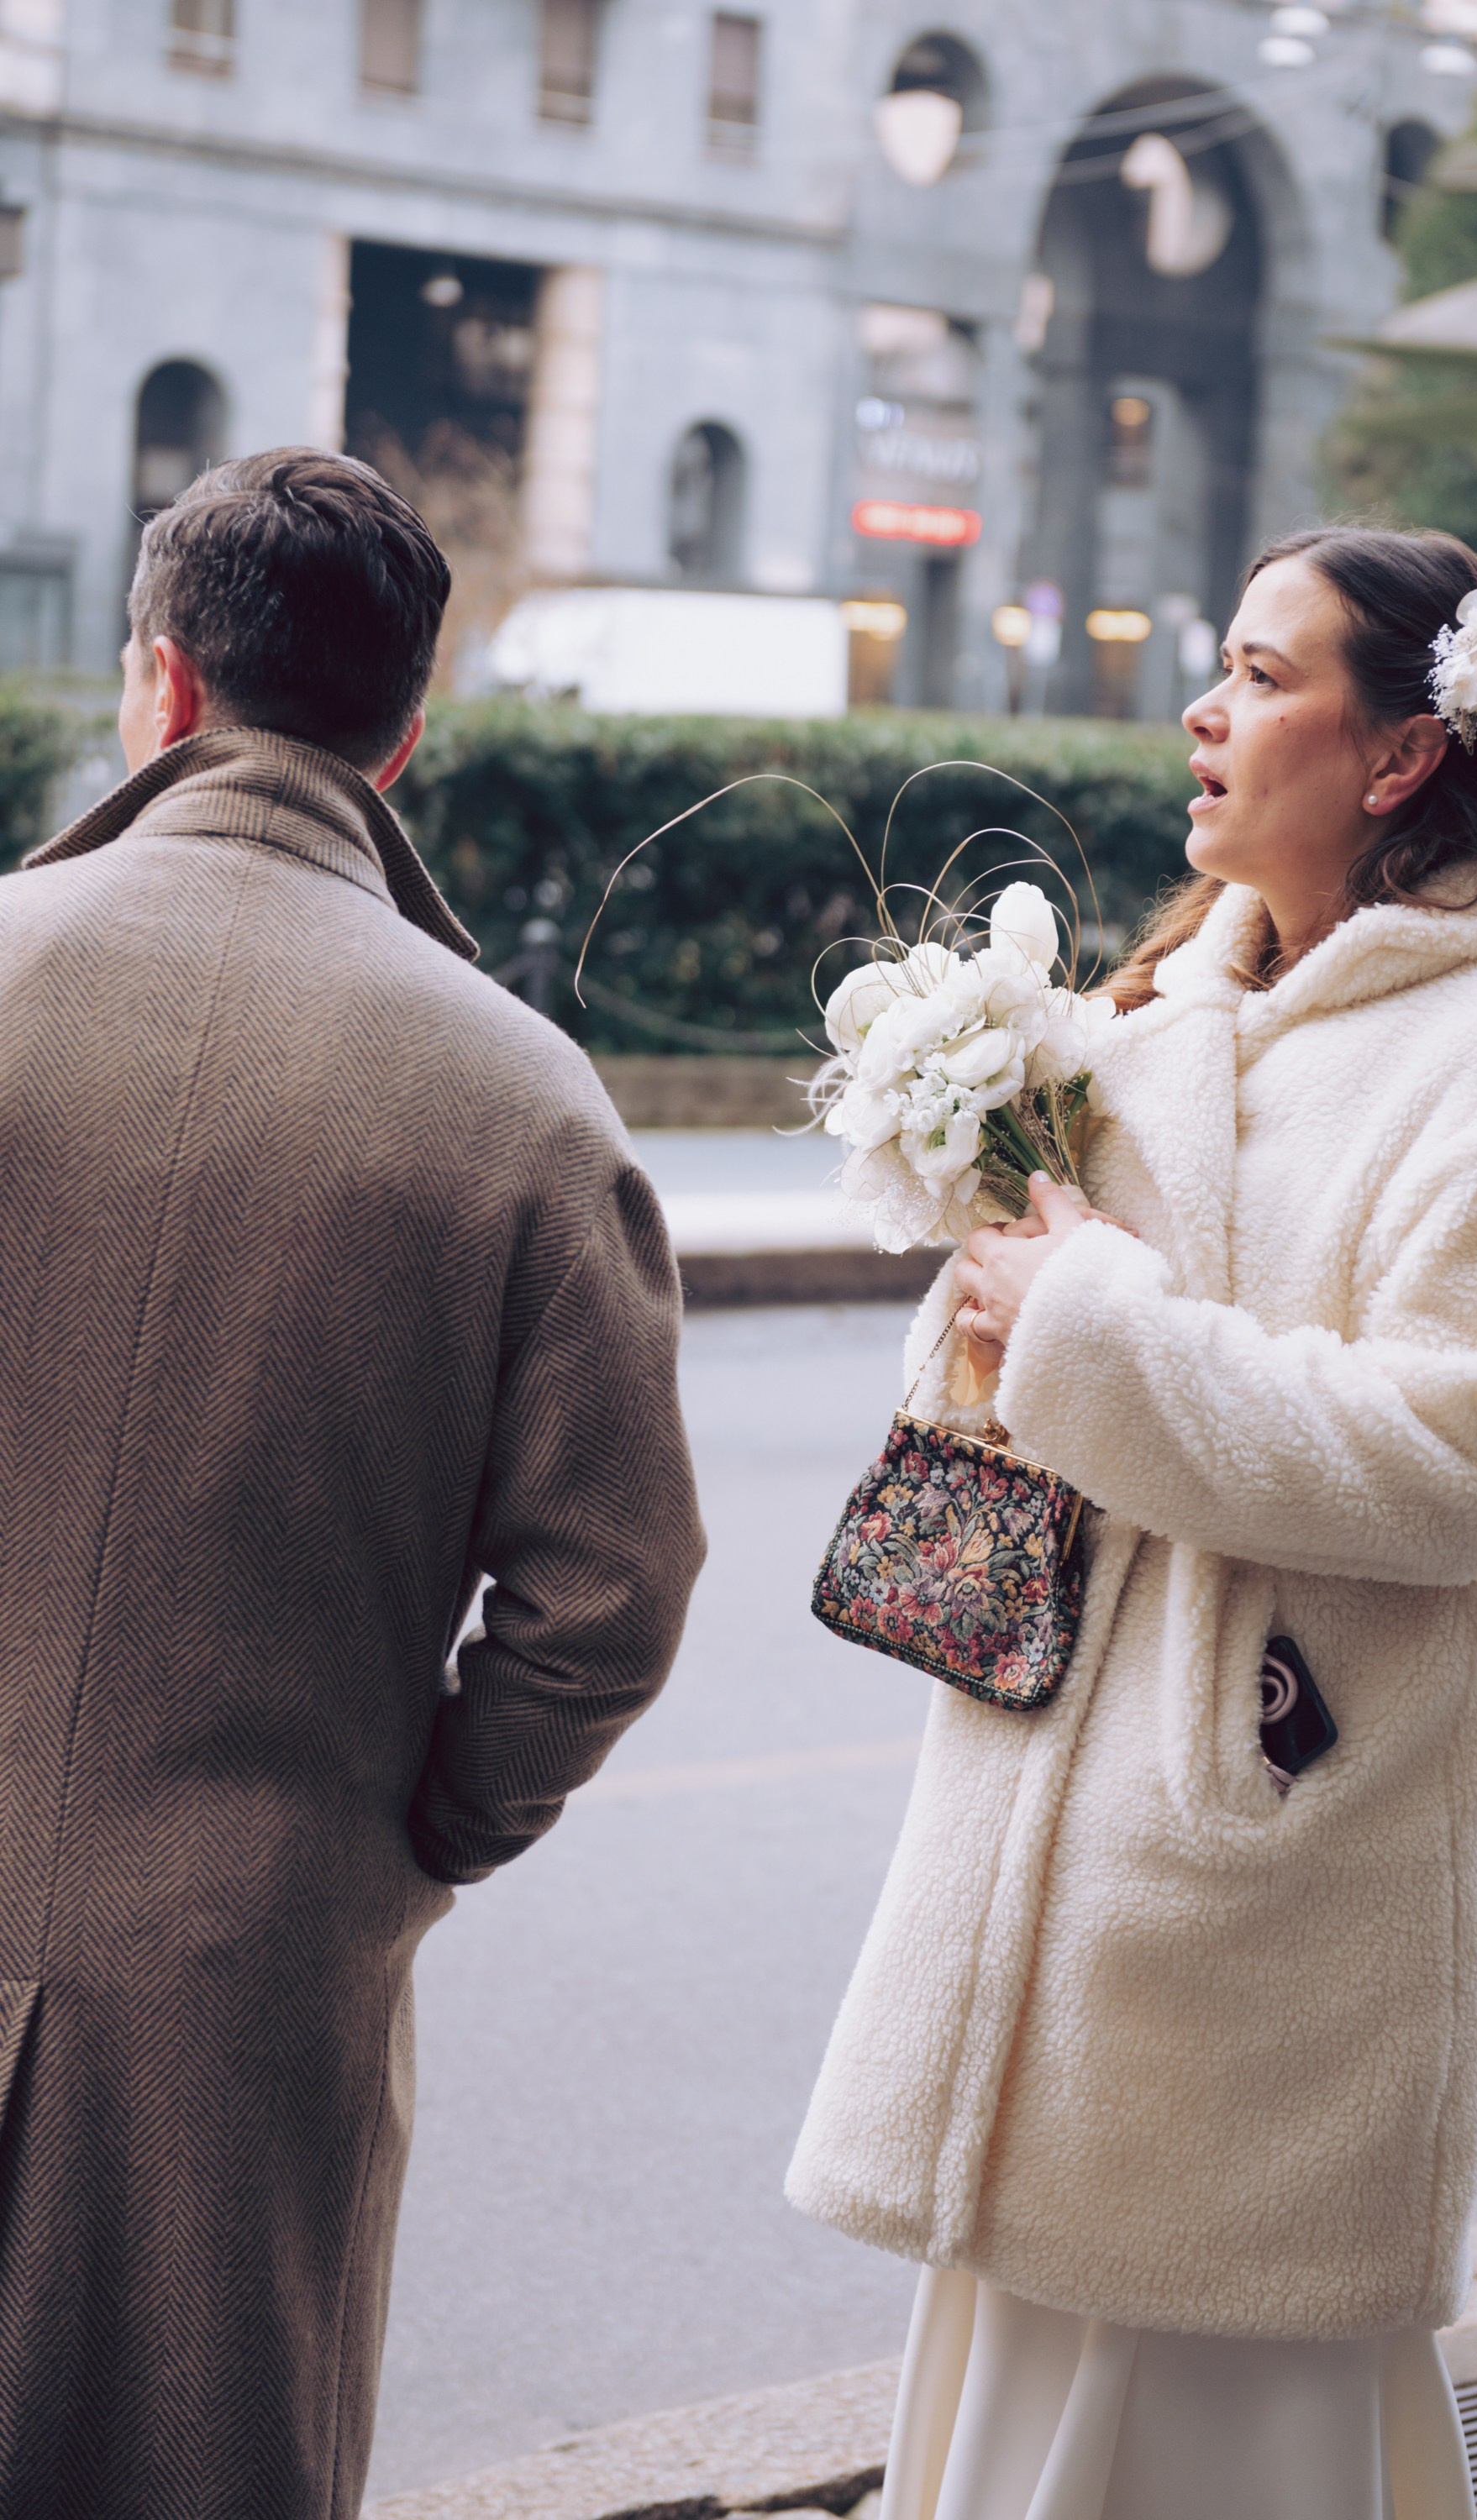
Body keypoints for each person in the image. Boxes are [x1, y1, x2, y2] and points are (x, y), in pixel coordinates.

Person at [786, 527, 1477, 2520]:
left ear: (1401, 752)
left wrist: (1083, 1318)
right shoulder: (1149, 1017)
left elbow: (1453, 1465)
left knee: (1223, 2429)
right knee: (1021, 2414)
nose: (1203, 709)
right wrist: (992, 1281)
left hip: (1268, 1890)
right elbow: (1022, 1397)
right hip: (1045, 1897)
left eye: (1260, 674)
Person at [0, 449, 704, 2520]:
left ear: (160, 685)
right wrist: (420, 1831)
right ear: (402, 738)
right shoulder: (520, 1102)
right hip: (248, 1981)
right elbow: (609, 1596)